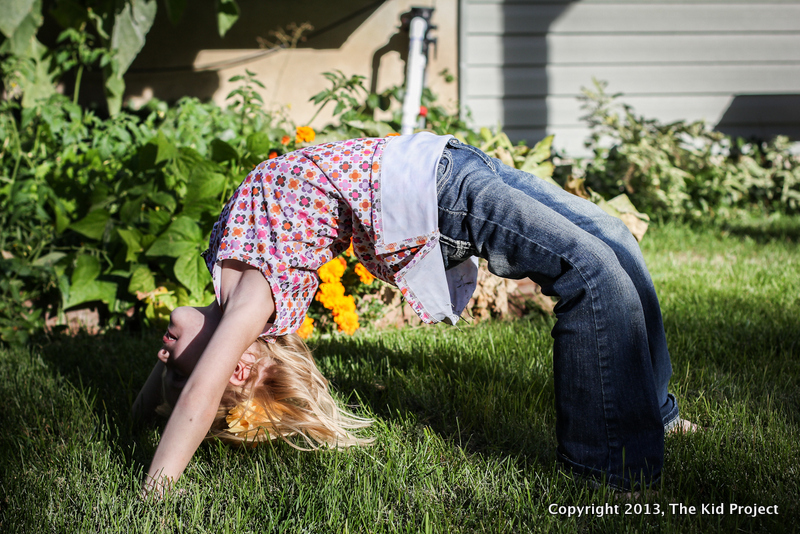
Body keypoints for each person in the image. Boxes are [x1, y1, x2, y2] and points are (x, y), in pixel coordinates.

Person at [134, 132, 686, 495]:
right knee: (590, 272)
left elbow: (183, 375)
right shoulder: (252, 304)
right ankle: (610, 473)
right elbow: (201, 387)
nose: (161, 357)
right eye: (174, 369)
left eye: (167, 366)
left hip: (445, 158)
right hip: (434, 195)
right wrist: (156, 489)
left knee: (614, 237)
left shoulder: (223, 285)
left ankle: (652, 410)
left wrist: (138, 413)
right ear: (235, 367)